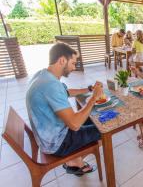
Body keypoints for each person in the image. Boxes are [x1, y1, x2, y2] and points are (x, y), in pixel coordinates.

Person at [26, 43, 103, 176]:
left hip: (49, 135)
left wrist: (89, 89)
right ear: (62, 60)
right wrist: (94, 97)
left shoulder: (43, 75)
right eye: (73, 63)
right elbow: (74, 124)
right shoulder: (51, 85)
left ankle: (75, 161)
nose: (74, 67)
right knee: (104, 130)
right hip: (57, 142)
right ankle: (74, 162)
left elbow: (65, 92)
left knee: (97, 119)